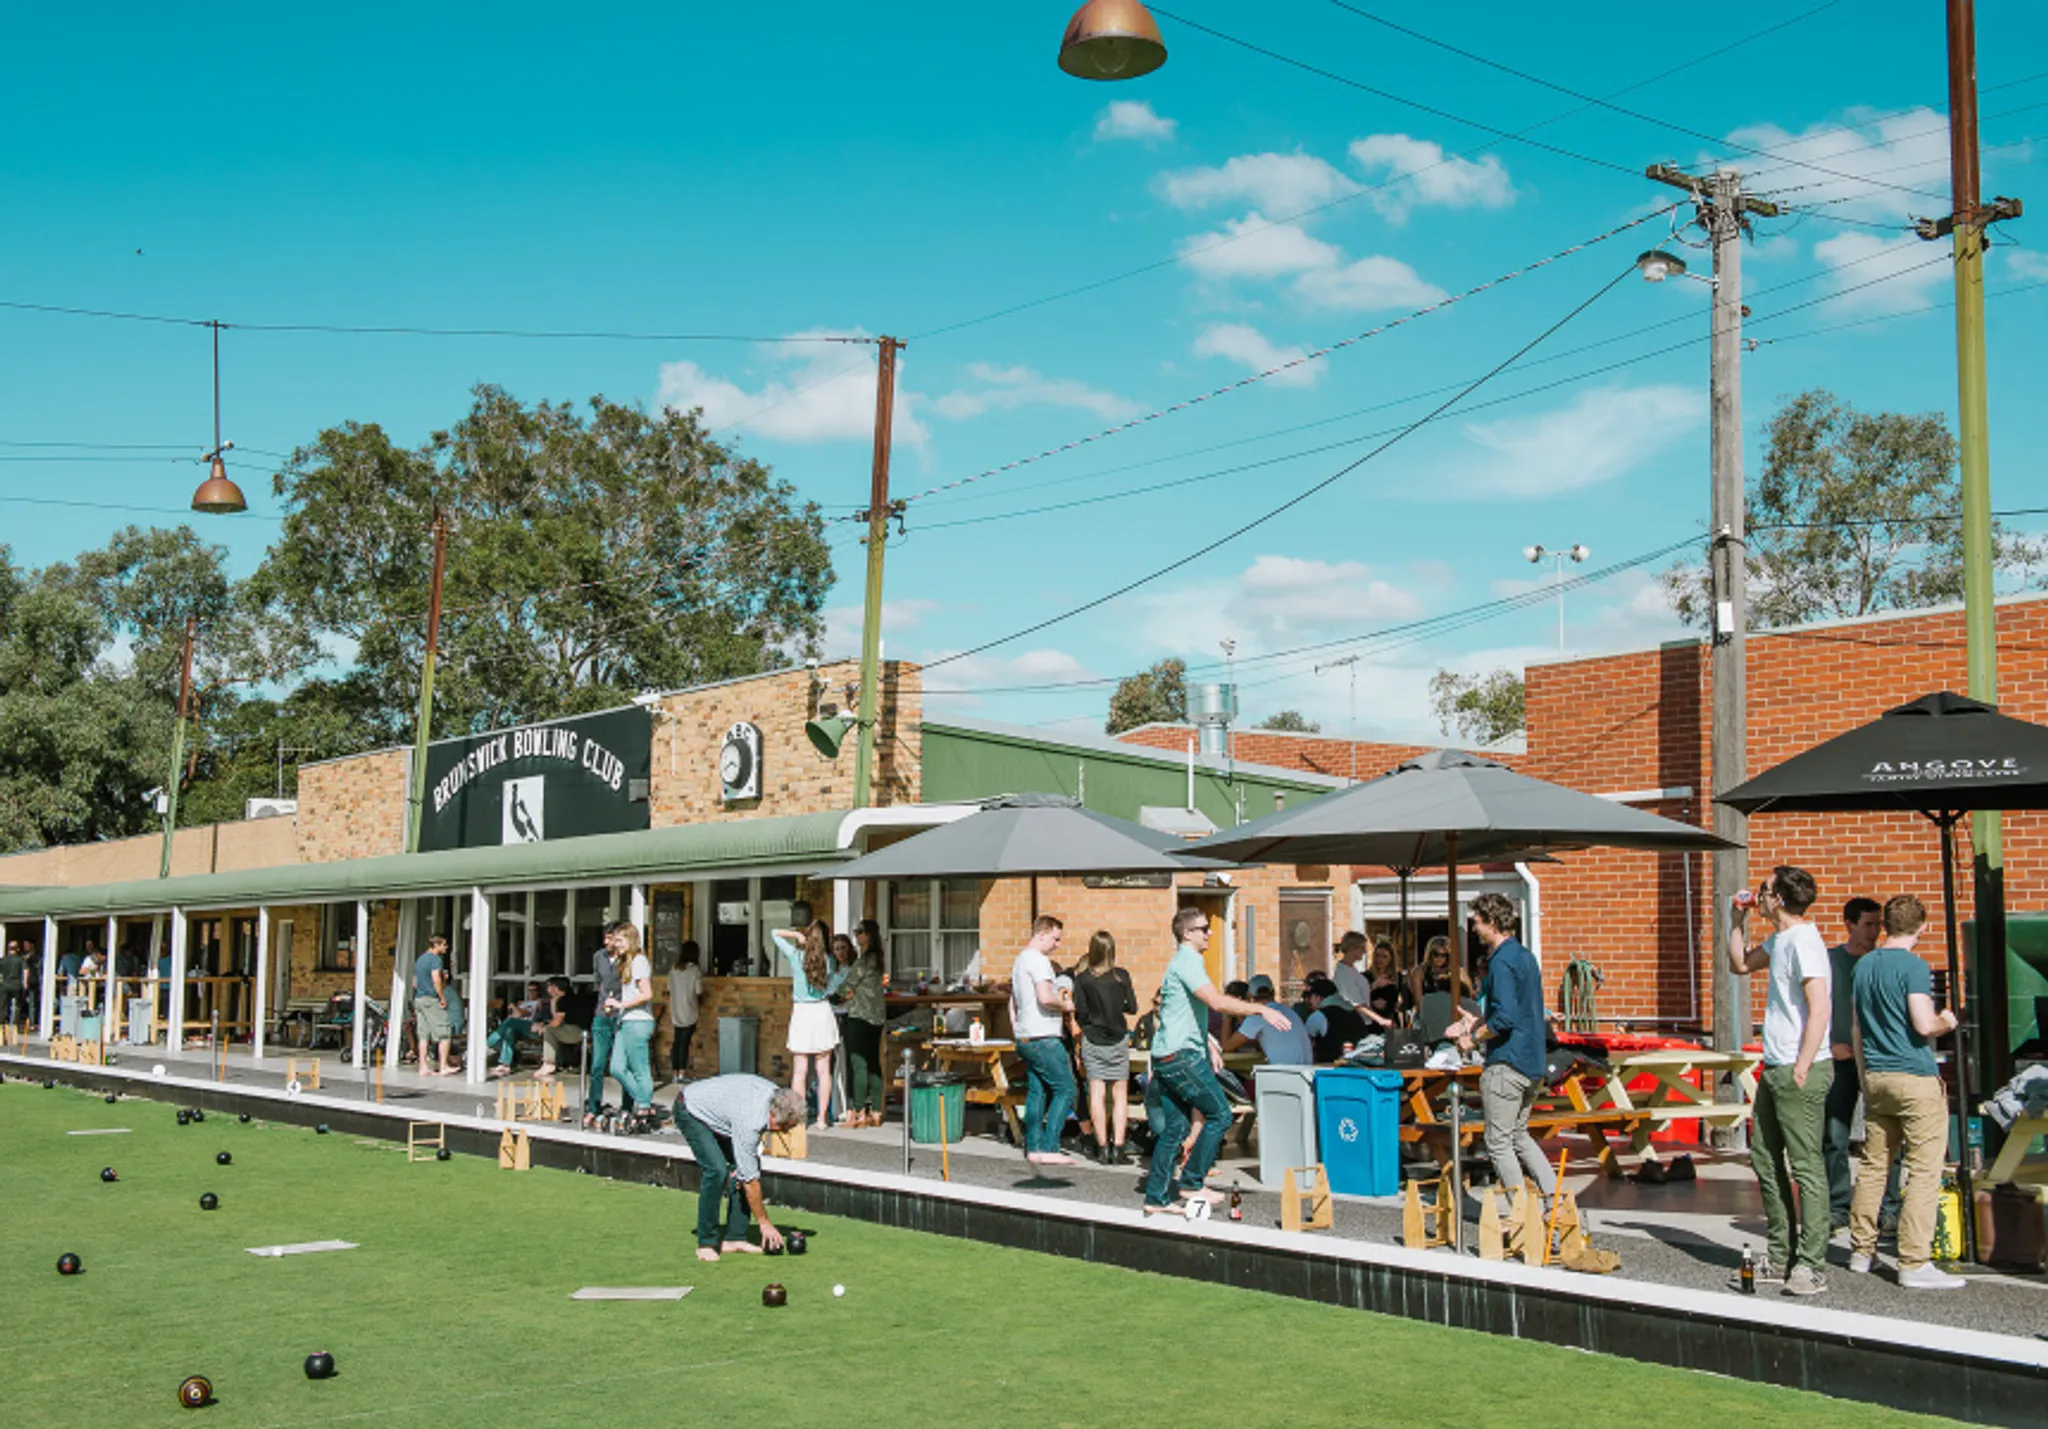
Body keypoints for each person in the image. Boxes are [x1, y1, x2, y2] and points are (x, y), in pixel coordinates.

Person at [1848, 895, 1965, 1291]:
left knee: (1874, 1165)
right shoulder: (1914, 967)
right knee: (1924, 1170)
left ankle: (1861, 1251)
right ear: (1923, 927)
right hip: (1914, 1077)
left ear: (1885, 926)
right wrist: (1945, 1021)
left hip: (1876, 1076)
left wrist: (1865, 1079)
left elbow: (1856, 1029)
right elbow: (1922, 1023)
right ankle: (1914, 1261)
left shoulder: (1864, 965)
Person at [1728, 865, 1834, 1297]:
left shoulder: (1806, 941)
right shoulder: (1780, 939)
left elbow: (1820, 1007)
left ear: (1779, 899)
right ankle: (1781, 1253)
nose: (1758, 894)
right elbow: (1739, 963)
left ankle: (1811, 1265)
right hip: (1775, 1066)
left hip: (1798, 1067)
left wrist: (1803, 1064)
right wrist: (1737, 920)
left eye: (1764, 890)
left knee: (1805, 1166)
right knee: (1766, 1160)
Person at [1146, 907, 1292, 1217]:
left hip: (1167, 1055)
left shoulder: (1183, 963)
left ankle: (1156, 1198)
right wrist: (1261, 1010)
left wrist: (1209, 1042)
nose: (1209, 933)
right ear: (1187, 934)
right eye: (1202, 929)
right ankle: (1191, 1182)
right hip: (1181, 1057)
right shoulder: (1188, 961)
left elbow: (1183, 1013)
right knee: (1221, 1115)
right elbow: (1216, 1002)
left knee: (1175, 1128)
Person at [1449, 893, 1556, 1229]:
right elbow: (1517, 1013)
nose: (1474, 928)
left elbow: (1506, 1018)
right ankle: (1555, 1204)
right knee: (1519, 1136)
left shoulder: (1500, 961)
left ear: (1492, 923)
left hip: (1506, 1064)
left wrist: (1472, 1037)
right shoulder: (1525, 957)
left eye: (1477, 922)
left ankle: (1523, 1214)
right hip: (1532, 1061)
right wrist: (1478, 1021)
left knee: (1498, 1142)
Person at [670, 1073, 808, 1262]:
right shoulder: (750, 1122)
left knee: (745, 1166)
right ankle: (706, 1243)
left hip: (723, 1114)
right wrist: (764, 1223)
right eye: (784, 1127)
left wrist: (744, 1169)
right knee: (716, 1170)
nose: (784, 1132)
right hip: (690, 1109)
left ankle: (735, 1237)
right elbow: (751, 1182)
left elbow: (747, 1167)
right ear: (773, 1115)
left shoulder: (776, 1097)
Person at [1824, 896, 1883, 1228]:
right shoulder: (1831, 961)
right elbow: (1812, 1005)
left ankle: (1885, 1207)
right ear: (1849, 925)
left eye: (1879, 924)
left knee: (1884, 1137)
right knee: (1835, 1133)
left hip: (1875, 1059)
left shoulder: (1882, 961)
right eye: (1868, 924)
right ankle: (1838, 1205)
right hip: (1841, 1059)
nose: (1875, 931)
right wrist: (1829, 1044)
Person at [1011, 915, 1078, 1167]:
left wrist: (1017, 1029)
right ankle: (1050, 1147)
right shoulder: (1038, 961)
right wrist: (1066, 1005)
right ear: (1042, 934)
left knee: (1037, 1091)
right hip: (1044, 1036)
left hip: (1025, 1034)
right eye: (1055, 938)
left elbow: (1013, 1003)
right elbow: (1045, 998)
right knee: (1065, 1089)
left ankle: (1034, 1147)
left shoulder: (1020, 959)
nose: (1057, 944)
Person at [1071, 930, 1139, 1165]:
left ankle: (1102, 1147)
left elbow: (1079, 1011)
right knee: (1120, 1096)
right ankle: (1119, 1148)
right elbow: (1132, 1007)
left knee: (1096, 1094)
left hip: (1093, 1038)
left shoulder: (1082, 980)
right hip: (1118, 1038)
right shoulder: (1121, 976)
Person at [775, 919, 846, 1131]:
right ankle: (822, 1119)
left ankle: (799, 1118)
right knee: (824, 1070)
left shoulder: (796, 956)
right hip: (822, 1010)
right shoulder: (829, 961)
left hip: (802, 1012)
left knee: (800, 1071)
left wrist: (796, 937)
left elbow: (773, 933)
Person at [604, 922, 658, 1129]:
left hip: (639, 1021)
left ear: (630, 939)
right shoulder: (627, 962)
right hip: (626, 1020)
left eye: (620, 940)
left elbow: (647, 994)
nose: (616, 944)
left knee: (639, 1068)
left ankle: (644, 1106)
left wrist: (621, 1004)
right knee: (617, 1067)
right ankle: (644, 1103)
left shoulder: (639, 961)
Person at [836, 923, 886, 1128]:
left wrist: (832, 996)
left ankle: (858, 1114)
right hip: (877, 1017)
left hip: (859, 1016)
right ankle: (876, 1112)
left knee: (858, 1065)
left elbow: (846, 987)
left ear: (868, 935)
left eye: (859, 932)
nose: (856, 936)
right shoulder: (878, 958)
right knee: (874, 1065)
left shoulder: (864, 960)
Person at [1223, 977, 1312, 1066]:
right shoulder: (1289, 1011)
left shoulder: (1259, 1015)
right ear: (1273, 992)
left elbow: (1226, 1047)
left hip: (1283, 1073)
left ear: (1249, 996)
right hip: (1305, 1072)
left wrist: (1228, 1016)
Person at [412, 934, 459, 1076]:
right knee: (445, 1032)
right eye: (444, 944)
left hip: (419, 999)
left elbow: (415, 983)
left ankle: (423, 1067)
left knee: (423, 1035)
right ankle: (444, 1066)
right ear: (436, 945)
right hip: (431, 999)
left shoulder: (420, 959)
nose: (446, 947)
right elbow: (436, 980)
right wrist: (442, 997)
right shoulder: (435, 960)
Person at [1299, 974, 1372, 1060]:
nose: (1308, 1001)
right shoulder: (1354, 1013)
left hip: (1329, 1067)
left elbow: (1305, 1044)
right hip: (1360, 1066)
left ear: (1318, 997)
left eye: (1310, 997)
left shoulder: (1319, 1015)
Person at [485, 980, 546, 1078]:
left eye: (534, 990)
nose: (531, 993)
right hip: (518, 1028)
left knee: (510, 1022)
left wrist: (514, 1007)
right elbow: (515, 1014)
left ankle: (488, 1042)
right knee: (509, 1030)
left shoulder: (538, 1002)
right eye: (529, 990)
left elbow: (523, 1014)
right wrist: (516, 1009)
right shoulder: (524, 1003)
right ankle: (505, 1065)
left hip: (530, 1027)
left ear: (539, 991)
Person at [666, 940, 703, 1084]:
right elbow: (699, 991)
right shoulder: (694, 970)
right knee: (684, 1043)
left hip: (675, 1009)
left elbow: (669, 989)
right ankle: (682, 1073)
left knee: (677, 1041)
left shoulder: (673, 969)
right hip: (689, 1009)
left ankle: (674, 1073)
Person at [533, 974, 583, 1079]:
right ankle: (562, 1062)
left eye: (549, 986)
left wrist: (544, 1027)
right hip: (580, 1031)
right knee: (552, 1031)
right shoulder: (571, 997)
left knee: (550, 1031)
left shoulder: (564, 1000)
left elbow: (557, 1022)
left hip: (577, 1031)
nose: (547, 989)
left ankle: (548, 1063)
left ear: (555, 988)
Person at [1408, 934, 1471, 1009]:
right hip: (1427, 1011)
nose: (1439, 958)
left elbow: (1466, 996)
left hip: (1452, 1012)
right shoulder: (1419, 972)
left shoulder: (1457, 972)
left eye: (1444, 955)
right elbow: (1419, 1002)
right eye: (1436, 954)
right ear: (1430, 954)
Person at [1366, 939, 1410, 1025]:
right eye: (1377, 955)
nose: (1379, 959)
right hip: (1371, 1021)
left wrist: (1395, 1005)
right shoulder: (1366, 976)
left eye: (1384, 956)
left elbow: (1408, 1002)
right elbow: (1357, 999)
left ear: (1391, 959)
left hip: (1390, 1021)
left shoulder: (1397, 978)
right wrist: (1373, 987)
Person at [1331, 931, 1374, 1008]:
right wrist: (1380, 1020)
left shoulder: (1351, 969)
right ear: (1353, 948)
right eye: (1362, 948)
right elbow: (1357, 1005)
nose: (1365, 951)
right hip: (1357, 1018)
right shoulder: (1344, 973)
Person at [0, 938, 28, 1029]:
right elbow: (26, 971)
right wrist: (25, 983)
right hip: (16, 985)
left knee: (3, 1005)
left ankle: (2, 1023)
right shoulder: (20, 960)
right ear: (17, 949)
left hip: (5, 985)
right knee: (17, 1005)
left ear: (8, 949)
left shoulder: (3, 960)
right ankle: (15, 1023)